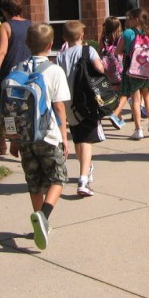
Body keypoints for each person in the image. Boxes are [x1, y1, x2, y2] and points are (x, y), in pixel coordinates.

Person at [14, 23, 69, 250]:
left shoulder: (19, 68)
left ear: (27, 44)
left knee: (34, 181)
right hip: (47, 135)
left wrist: (15, 138)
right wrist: (64, 137)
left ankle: (38, 218)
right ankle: (44, 217)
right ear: (50, 45)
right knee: (58, 178)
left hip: (25, 136)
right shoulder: (54, 70)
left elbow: (15, 106)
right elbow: (59, 108)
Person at [55, 21, 105, 198]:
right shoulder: (88, 50)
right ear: (82, 36)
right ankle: (83, 179)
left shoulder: (60, 56)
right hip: (86, 101)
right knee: (87, 140)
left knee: (78, 136)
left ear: (64, 38)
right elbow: (99, 68)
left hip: (68, 103)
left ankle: (86, 167)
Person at [0, 0, 32, 156]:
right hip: (27, 72)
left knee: (4, 109)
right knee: (22, 107)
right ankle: (12, 139)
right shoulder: (30, 25)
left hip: (9, 72)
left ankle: (5, 141)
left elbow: (2, 51)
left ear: (5, 10)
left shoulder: (5, 26)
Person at [115, 8, 149, 140]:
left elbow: (118, 50)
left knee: (136, 99)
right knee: (148, 97)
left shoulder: (127, 33)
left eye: (129, 18)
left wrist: (128, 53)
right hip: (148, 71)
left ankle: (138, 129)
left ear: (136, 19)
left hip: (132, 70)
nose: (127, 21)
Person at [99, 16, 126, 129]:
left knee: (114, 93)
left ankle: (119, 117)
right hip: (119, 68)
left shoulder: (103, 38)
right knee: (124, 93)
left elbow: (100, 52)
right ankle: (117, 116)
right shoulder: (120, 38)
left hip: (108, 69)